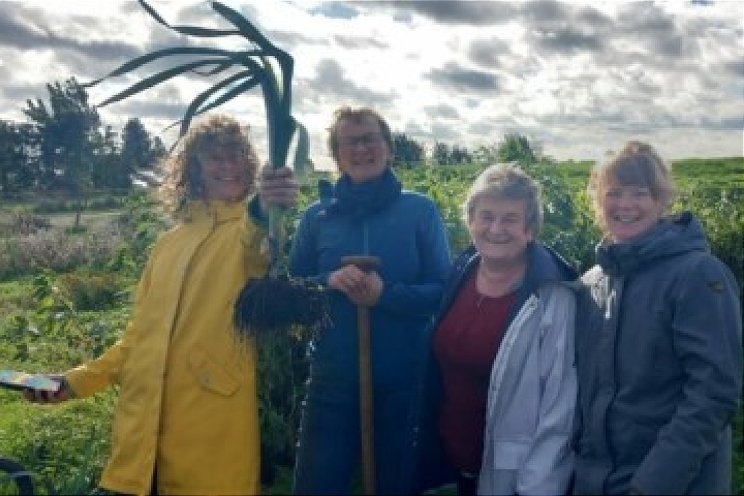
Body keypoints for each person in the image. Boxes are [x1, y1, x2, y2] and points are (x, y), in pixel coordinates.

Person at [22, 114, 299, 495]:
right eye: (214, 157)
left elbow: (254, 252)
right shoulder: (169, 244)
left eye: (236, 155)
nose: (228, 165)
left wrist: (263, 210)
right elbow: (137, 339)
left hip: (209, 438)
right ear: (194, 168)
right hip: (138, 445)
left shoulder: (253, 231)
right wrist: (71, 382)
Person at [289, 106, 452, 495]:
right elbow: (292, 286)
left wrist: (386, 295)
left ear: (388, 148)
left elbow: (444, 292)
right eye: (350, 142)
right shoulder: (317, 218)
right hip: (332, 379)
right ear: (337, 154)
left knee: (395, 484)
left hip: (404, 380)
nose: (361, 149)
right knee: (317, 485)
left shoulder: (420, 211)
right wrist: (328, 280)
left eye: (370, 139)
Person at [573, 141, 742, 495]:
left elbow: (713, 392)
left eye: (640, 193)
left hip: (673, 483)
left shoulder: (697, 275)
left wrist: (653, 483)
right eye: (614, 193)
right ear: (597, 201)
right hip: (597, 480)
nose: (625, 205)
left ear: (662, 200)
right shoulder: (592, 283)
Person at [408, 163, 578, 495]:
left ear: (530, 229)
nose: (496, 228)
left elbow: (560, 409)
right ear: (470, 222)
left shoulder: (551, 296)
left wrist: (536, 487)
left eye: (510, 219)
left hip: (512, 477)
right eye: (486, 216)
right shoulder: (462, 274)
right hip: (452, 464)